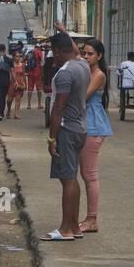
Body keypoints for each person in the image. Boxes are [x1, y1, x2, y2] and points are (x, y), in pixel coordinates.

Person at [42, 32, 92, 242]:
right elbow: (76, 50)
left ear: (57, 51)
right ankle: (74, 226)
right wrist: (63, 31)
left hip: (67, 129)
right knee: (72, 177)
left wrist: (52, 138)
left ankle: (65, 229)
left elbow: (58, 108)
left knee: (67, 178)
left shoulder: (64, 74)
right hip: (80, 127)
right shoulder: (83, 66)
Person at [77, 38, 113, 235]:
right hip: (86, 125)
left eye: (90, 54)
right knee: (85, 173)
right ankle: (89, 217)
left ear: (99, 56)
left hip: (93, 126)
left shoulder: (98, 75)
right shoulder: (88, 72)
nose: (86, 56)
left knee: (90, 174)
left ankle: (92, 219)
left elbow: (84, 96)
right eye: (85, 53)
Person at [8, 45, 27, 118]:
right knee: (9, 99)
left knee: (18, 99)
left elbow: (23, 74)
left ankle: (16, 113)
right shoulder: (11, 65)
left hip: (20, 83)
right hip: (12, 83)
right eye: (16, 56)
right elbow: (10, 73)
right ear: (13, 57)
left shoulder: (22, 65)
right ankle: (9, 110)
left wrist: (25, 83)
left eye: (19, 56)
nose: (18, 58)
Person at [24, 44, 43, 111]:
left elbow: (24, 60)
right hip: (37, 72)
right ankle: (39, 104)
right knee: (39, 89)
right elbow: (41, 62)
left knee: (30, 89)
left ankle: (29, 104)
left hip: (30, 73)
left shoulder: (29, 53)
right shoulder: (39, 52)